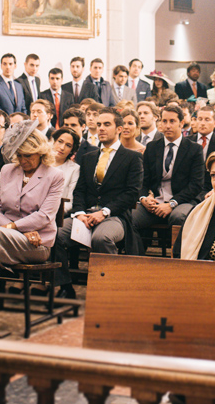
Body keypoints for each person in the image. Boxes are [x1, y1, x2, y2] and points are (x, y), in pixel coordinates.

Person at [0, 122, 64, 333]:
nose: (23, 161)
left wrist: (12, 226)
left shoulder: (54, 176)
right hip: (10, 235)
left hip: (36, 244)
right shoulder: (8, 170)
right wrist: (11, 228)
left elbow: (45, 216)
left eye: (29, 156)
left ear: (41, 153)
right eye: (20, 155)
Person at [53, 106, 142, 298]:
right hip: (85, 215)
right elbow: (80, 190)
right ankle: (65, 286)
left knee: (101, 238)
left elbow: (131, 193)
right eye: (99, 124)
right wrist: (79, 213)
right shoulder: (88, 157)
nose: (101, 128)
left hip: (114, 217)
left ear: (119, 128)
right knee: (55, 233)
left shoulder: (132, 158)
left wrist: (105, 212)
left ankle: (110, 289)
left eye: (107, 124)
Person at [130, 103, 205, 254]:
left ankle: (177, 263)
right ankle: (138, 262)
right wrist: (144, 198)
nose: (168, 126)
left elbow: (196, 185)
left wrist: (171, 204)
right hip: (155, 201)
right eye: (164, 121)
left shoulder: (194, 149)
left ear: (181, 123)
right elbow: (142, 181)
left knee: (179, 217)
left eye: (172, 121)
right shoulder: (152, 147)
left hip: (181, 201)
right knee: (130, 218)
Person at [47, 127, 82, 214]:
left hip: (56, 214)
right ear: (54, 141)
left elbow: (70, 202)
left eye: (68, 145)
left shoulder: (74, 169)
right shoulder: (41, 163)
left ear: (72, 150)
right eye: (60, 141)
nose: (62, 147)